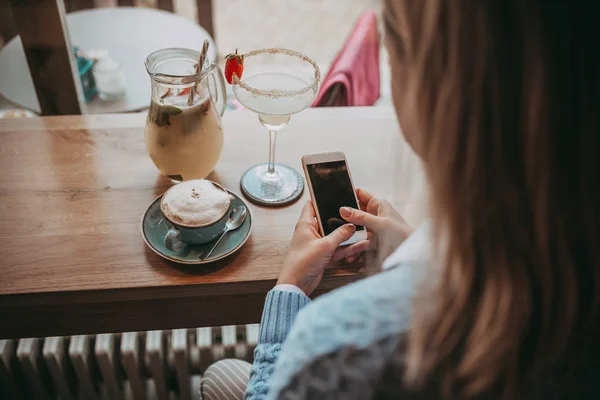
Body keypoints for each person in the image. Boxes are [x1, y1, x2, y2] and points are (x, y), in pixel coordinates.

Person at [200, 0, 600, 398]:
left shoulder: (338, 348)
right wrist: (417, 254)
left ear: (432, 92)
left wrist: (289, 291)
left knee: (219, 376)